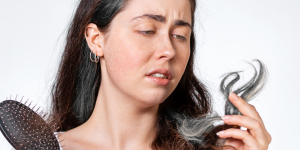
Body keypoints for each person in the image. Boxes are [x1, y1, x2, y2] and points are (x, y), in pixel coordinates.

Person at [49, 0, 272, 149]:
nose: (169, 51)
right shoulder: (45, 147)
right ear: (96, 40)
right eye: (147, 30)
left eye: (180, 35)